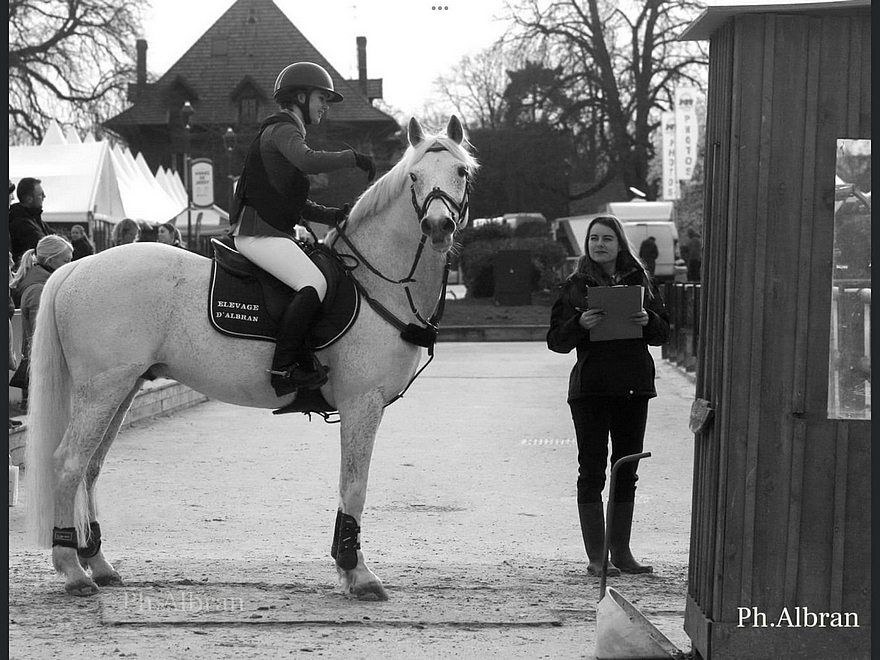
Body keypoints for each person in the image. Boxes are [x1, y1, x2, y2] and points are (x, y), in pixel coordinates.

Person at [229, 61, 376, 397]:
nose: (325, 106)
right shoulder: (283, 130)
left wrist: (333, 215)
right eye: (321, 98)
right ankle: (283, 368)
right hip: (257, 233)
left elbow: (294, 203)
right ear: (300, 97)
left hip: (266, 231)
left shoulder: (284, 131)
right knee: (313, 282)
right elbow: (308, 160)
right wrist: (351, 157)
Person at [547, 215, 670, 578]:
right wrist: (579, 324)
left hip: (634, 386)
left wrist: (648, 321)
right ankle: (597, 556)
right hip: (591, 389)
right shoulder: (575, 286)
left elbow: (664, 333)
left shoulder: (641, 281)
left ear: (620, 244)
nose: (599, 245)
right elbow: (555, 340)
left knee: (626, 469)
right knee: (592, 471)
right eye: (594, 239)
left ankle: (622, 551)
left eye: (607, 239)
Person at [9, 235, 74, 411]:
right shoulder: (39, 289)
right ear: (51, 260)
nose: (69, 265)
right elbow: (41, 333)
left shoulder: (42, 284)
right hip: (45, 365)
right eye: (66, 260)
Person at [9, 177, 55, 266]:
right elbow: (48, 249)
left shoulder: (34, 218)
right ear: (29, 199)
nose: (44, 197)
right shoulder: (22, 224)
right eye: (40, 194)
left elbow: (56, 239)